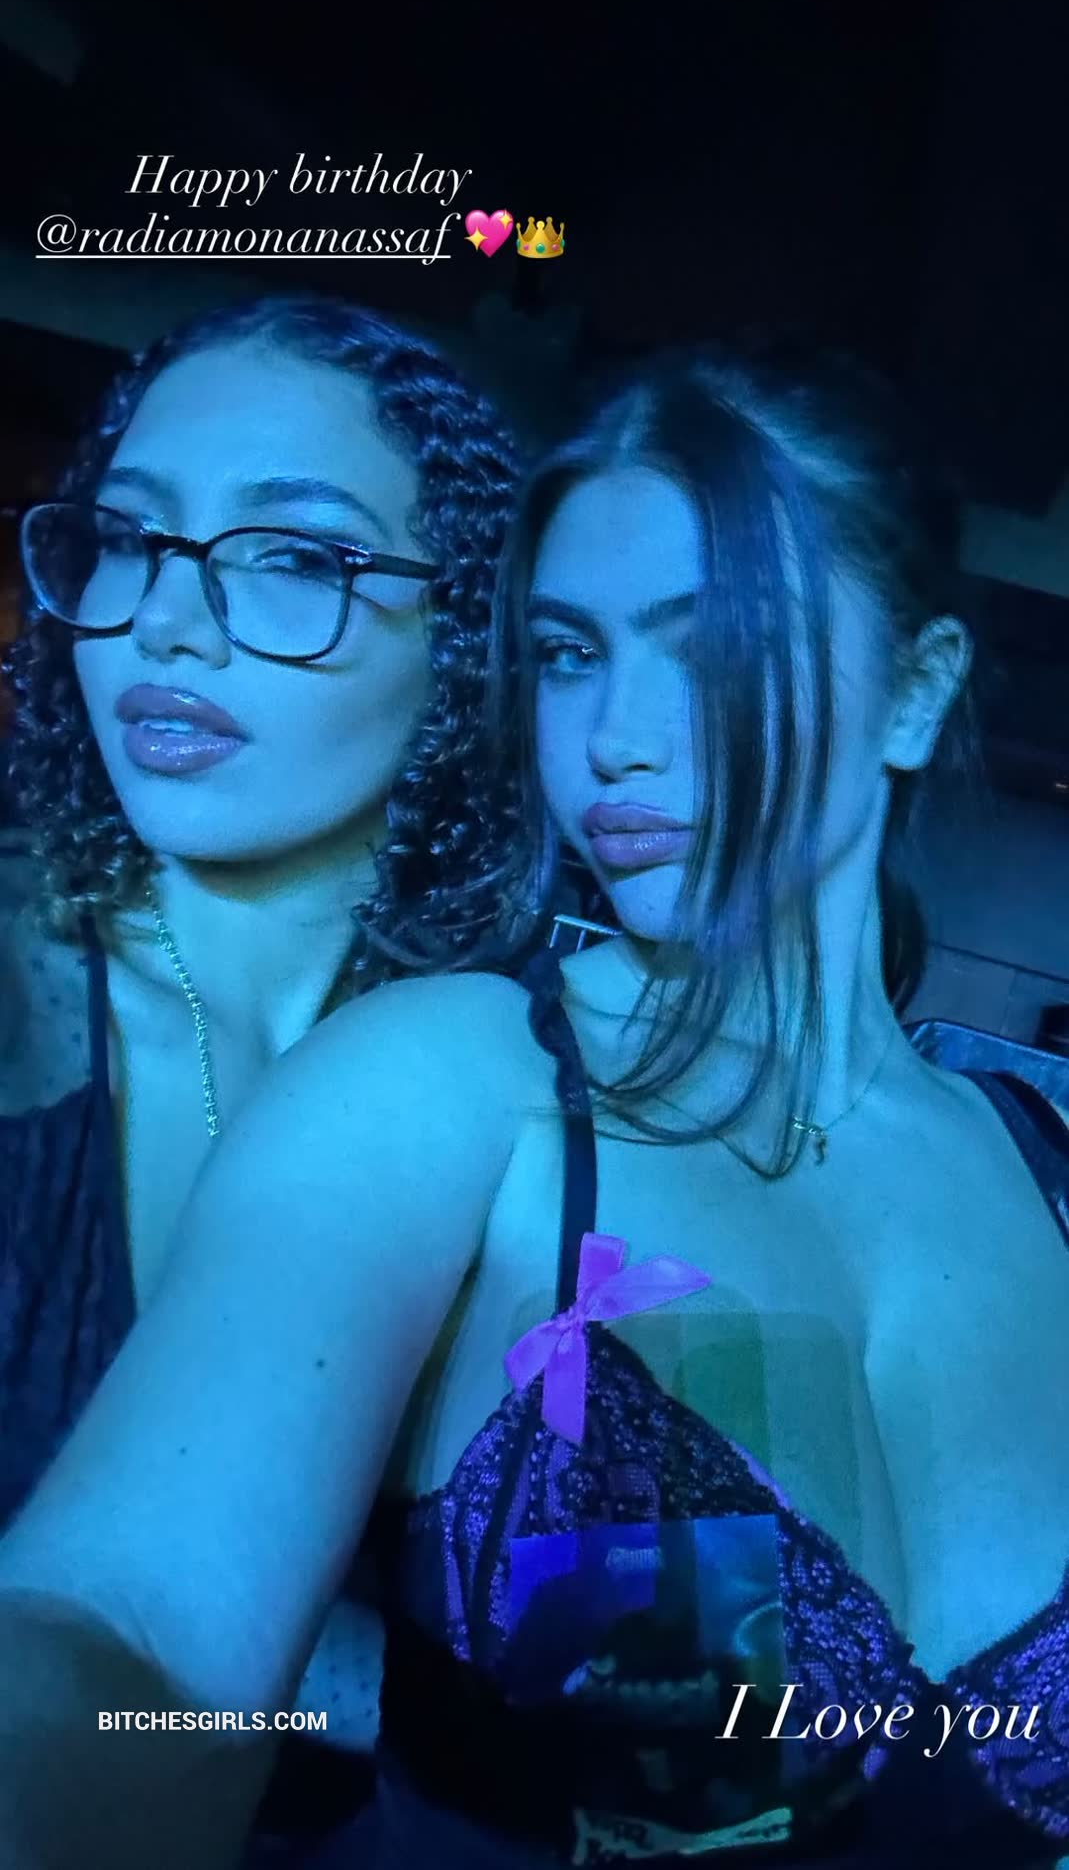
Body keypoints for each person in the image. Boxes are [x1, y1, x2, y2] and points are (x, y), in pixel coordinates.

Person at [1, 347, 1067, 1870]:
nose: (615, 735)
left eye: (709, 649)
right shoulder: (446, 1082)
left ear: (915, 688)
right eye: (568, 653)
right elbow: (135, 1635)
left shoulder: (1045, 1166)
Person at [0, 292, 519, 1858]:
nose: (166, 621)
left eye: (294, 556)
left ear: (469, 639)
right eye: (129, 539)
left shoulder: (522, 1093)